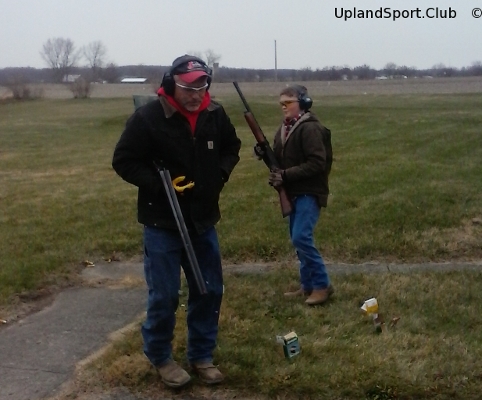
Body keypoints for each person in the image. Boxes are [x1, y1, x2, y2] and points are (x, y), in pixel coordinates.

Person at [112, 55, 241, 388]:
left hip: (202, 221)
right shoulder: (149, 118)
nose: (196, 93)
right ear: (172, 84)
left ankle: (201, 354)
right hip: (162, 223)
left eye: (202, 85)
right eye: (188, 86)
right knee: (165, 295)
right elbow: (124, 161)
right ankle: (160, 356)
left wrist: (219, 174)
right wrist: (161, 184)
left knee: (209, 290)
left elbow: (232, 147)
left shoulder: (216, 114)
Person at [257, 84, 333, 306]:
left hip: (309, 191)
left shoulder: (310, 128)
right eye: (281, 103)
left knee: (301, 237)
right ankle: (307, 285)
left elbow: (317, 163)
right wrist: (264, 154)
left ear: (304, 102)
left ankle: (322, 285)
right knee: (298, 239)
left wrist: (286, 175)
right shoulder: (286, 127)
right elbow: (279, 162)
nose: (283, 107)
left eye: (288, 103)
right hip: (294, 192)